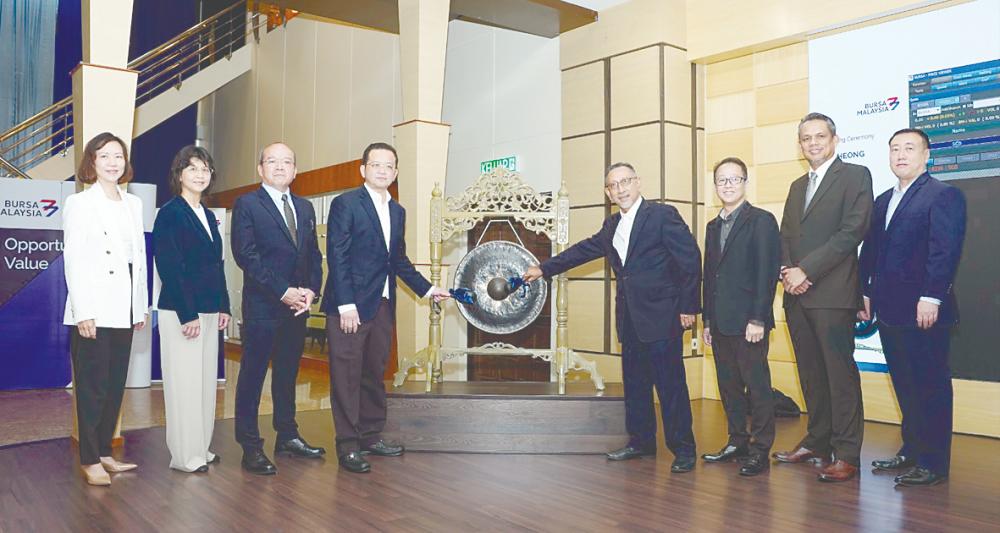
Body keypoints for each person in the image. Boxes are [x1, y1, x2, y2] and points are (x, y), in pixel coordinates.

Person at [523, 162, 701, 473]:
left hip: (662, 316)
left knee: (671, 386)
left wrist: (689, 307)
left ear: (638, 182)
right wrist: (543, 268)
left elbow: (690, 260)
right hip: (630, 319)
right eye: (613, 185)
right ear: (608, 193)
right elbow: (582, 251)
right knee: (635, 385)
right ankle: (641, 442)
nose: (620, 189)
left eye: (625, 182)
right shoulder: (611, 226)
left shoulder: (662, 215)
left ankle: (683, 449)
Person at [321, 142, 451, 474]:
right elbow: (338, 256)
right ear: (363, 169)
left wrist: (427, 288)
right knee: (346, 377)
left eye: (389, 165)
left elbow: (398, 261)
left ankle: (370, 435)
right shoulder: (346, 203)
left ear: (395, 173)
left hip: (381, 303)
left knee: (373, 372)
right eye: (375, 164)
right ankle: (348, 445)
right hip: (349, 305)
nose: (382, 170)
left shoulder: (397, 211)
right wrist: (346, 304)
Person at [858, 128, 966, 487]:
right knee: (904, 384)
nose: (900, 154)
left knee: (931, 386)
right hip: (888, 310)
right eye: (894, 149)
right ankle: (912, 450)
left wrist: (932, 296)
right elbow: (872, 252)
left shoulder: (943, 195)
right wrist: (865, 292)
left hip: (924, 310)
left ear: (926, 155)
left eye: (909, 148)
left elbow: (944, 251)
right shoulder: (884, 198)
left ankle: (934, 463)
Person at [773, 112, 873, 482]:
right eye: (805, 138)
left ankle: (846, 453)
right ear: (800, 145)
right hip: (796, 295)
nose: (812, 143)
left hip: (832, 294)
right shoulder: (798, 185)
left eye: (819, 136)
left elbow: (851, 232)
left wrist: (807, 270)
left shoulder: (855, 176)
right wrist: (787, 271)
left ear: (835, 139)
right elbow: (785, 235)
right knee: (811, 375)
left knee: (839, 375)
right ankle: (818, 441)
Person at [231, 142, 325, 475]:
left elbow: (313, 255)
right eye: (272, 161)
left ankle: (287, 435)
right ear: (260, 169)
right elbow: (246, 256)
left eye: (287, 161)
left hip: (297, 308)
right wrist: (283, 291)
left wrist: (311, 291)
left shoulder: (305, 207)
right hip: (263, 306)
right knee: (252, 377)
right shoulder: (247, 204)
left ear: (295, 170)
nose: (280, 167)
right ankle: (250, 445)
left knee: (287, 375)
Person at [63, 132, 149, 486]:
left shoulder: (134, 203)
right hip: (95, 307)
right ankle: (88, 458)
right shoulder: (80, 203)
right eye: (105, 156)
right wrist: (83, 310)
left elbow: (139, 260)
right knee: (92, 385)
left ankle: (103, 452)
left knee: (115, 384)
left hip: (125, 306)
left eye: (118, 156)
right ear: (92, 163)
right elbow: (74, 260)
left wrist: (139, 307)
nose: (113, 162)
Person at [153, 145, 231, 473]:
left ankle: (201, 447)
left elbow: (216, 265)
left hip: (209, 310)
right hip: (183, 312)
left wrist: (223, 305)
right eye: (193, 168)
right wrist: (188, 315)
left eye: (205, 169)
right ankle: (185, 456)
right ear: (179, 174)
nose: (200, 174)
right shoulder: (171, 212)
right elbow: (170, 267)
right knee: (184, 385)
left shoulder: (207, 215)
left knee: (203, 384)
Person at [701, 157, 780, 477]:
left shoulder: (761, 220)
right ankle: (738, 441)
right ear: (716, 185)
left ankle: (760, 449)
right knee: (729, 386)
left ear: (745, 183)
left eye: (735, 179)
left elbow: (767, 271)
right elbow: (710, 276)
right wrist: (706, 320)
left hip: (750, 322)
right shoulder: (712, 226)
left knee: (757, 387)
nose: (728, 185)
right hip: (719, 322)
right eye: (722, 180)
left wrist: (758, 318)